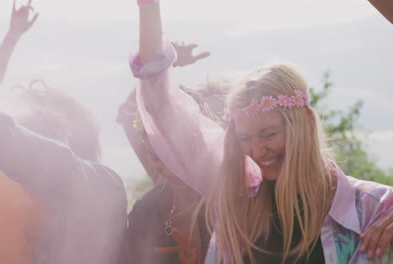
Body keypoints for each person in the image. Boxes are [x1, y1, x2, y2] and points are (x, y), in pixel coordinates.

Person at [132, 1, 393, 263]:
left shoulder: (373, 207)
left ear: (305, 125)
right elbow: (160, 105)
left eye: (269, 135)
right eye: (245, 138)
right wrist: (148, 7)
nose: (256, 151)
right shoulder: (235, 193)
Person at [0, 1, 127, 263]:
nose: (22, 168)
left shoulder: (99, 183)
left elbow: (26, 148)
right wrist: (11, 36)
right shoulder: (15, 205)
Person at [118, 41, 216, 264]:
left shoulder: (234, 199)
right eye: (157, 156)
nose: (171, 166)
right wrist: (162, 71)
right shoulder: (147, 210)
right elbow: (128, 113)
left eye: (179, 153)